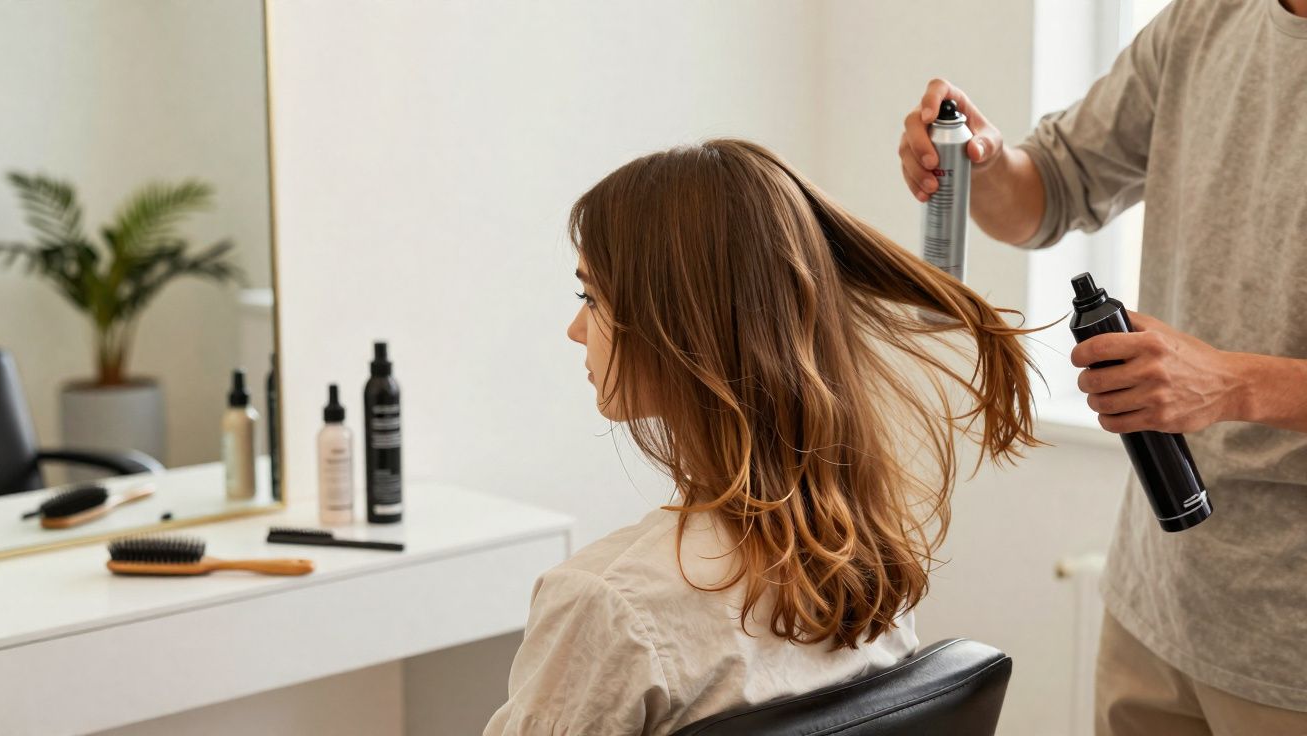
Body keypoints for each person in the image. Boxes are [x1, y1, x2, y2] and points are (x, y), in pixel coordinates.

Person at [483, 138, 1053, 735]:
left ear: (678, 323)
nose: (576, 329)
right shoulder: (870, 563)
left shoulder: (608, 604)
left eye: (592, 297)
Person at [898, 1, 1307, 733]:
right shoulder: (1205, 20)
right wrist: (980, 162)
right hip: (1155, 605)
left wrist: (1234, 384)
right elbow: (1047, 190)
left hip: (1290, 654)